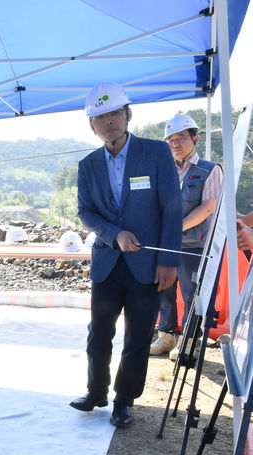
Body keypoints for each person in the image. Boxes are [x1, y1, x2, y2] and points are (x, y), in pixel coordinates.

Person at [70, 82, 182, 428]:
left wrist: (168, 261)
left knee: (137, 337)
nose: (107, 122)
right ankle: (97, 391)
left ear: (127, 114)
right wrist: (114, 234)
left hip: (147, 266)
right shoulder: (88, 165)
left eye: (113, 114)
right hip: (107, 263)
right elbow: (85, 212)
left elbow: (172, 207)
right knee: (99, 333)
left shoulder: (155, 153)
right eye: (99, 117)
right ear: (92, 125)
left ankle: (124, 399)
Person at [149, 115, 222, 360]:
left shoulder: (210, 170)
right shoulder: (165, 171)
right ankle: (166, 336)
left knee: (192, 293)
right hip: (166, 244)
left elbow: (208, 208)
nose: (175, 143)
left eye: (181, 137)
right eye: (170, 139)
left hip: (195, 244)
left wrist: (175, 228)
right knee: (164, 288)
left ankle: (189, 340)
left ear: (195, 138)